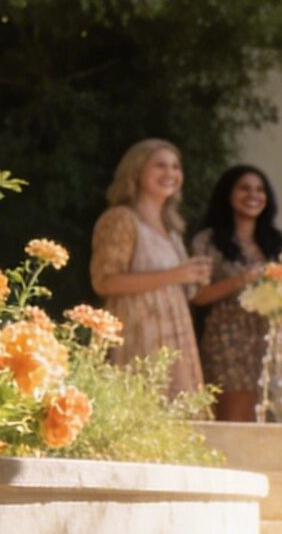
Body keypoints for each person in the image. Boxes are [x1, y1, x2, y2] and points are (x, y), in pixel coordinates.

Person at [89, 138, 210, 399]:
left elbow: (175, 287)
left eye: (176, 167)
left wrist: (195, 278)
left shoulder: (173, 227)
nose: (170, 173)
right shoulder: (120, 219)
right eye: (160, 166)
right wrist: (174, 275)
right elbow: (104, 281)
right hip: (139, 335)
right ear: (136, 171)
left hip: (175, 339)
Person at [188, 165, 282, 422]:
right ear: (228, 194)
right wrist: (242, 279)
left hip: (267, 339)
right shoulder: (207, 241)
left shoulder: (274, 242)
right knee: (233, 420)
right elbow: (197, 296)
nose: (253, 195)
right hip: (227, 339)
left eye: (260, 189)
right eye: (244, 188)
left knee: (266, 418)